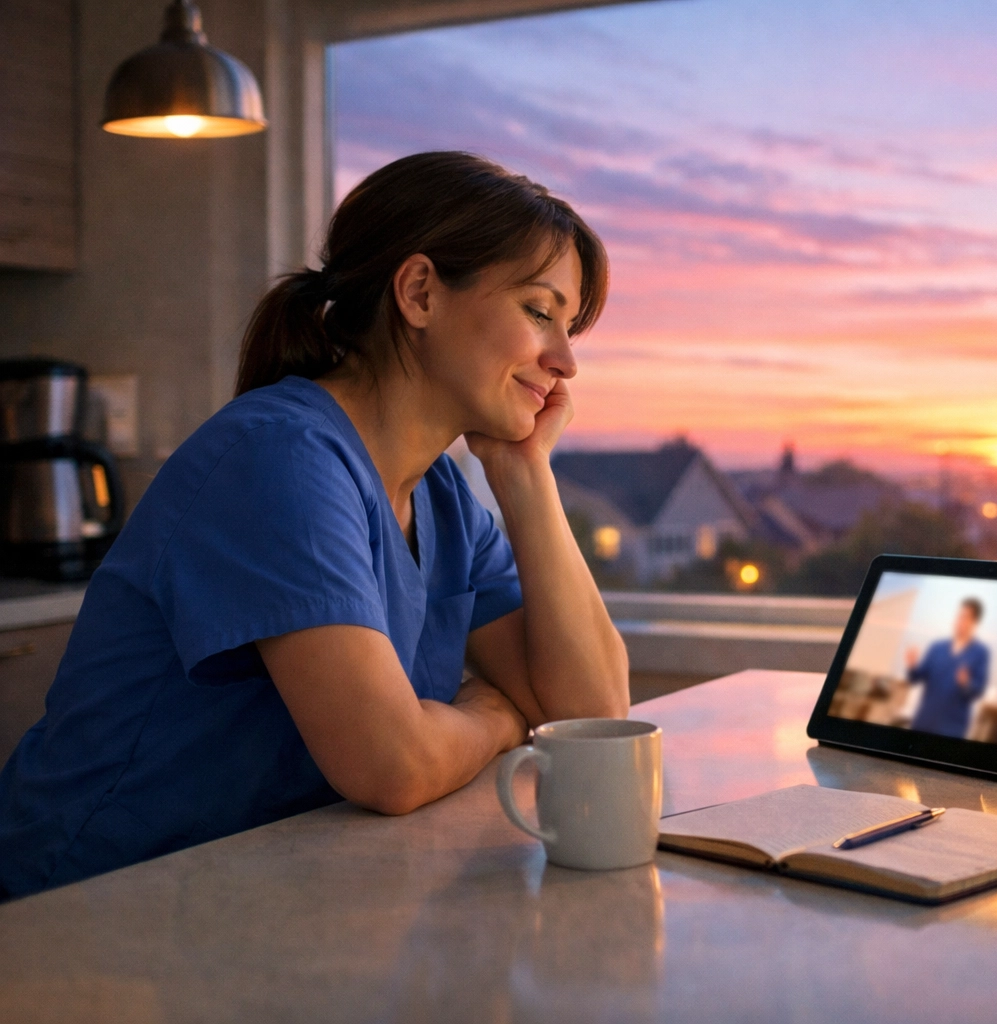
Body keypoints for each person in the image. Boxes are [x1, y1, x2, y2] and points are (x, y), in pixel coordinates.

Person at [0, 152, 629, 899]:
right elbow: (392, 767)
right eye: (539, 311)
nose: (565, 362)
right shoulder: (279, 457)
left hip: (245, 897)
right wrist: (497, 715)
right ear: (421, 292)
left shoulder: (447, 497)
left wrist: (526, 479)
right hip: (79, 910)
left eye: (570, 328)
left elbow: (595, 719)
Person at [905, 597, 990, 738]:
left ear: (974, 622)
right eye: (959, 616)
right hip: (923, 723)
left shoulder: (980, 653)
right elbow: (916, 678)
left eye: (965, 617)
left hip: (951, 730)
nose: (959, 621)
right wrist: (912, 666)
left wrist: (966, 683)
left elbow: (978, 690)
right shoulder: (937, 647)